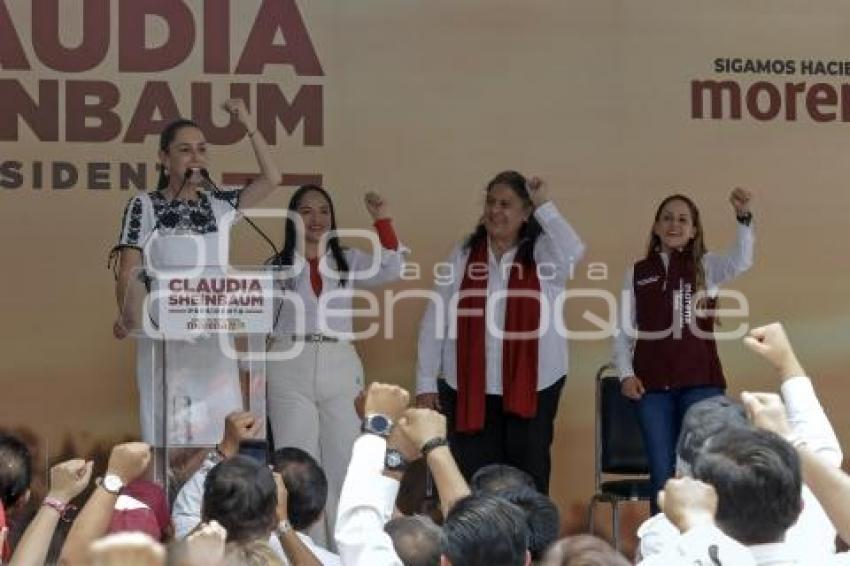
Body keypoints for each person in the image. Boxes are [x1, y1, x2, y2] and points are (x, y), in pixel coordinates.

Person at [110, 99, 281, 446]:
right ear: (163, 158)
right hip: (168, 344)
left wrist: (248, 123)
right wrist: (131, 317)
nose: (196, 157)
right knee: (173, 444)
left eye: (202, 150)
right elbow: (128, 268)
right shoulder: (145, 204)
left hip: (216, 345)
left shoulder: (219, 203)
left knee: (222, 440)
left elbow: (272, 178)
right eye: (185, 150)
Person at [416, 170, 585, 493]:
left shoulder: (544, 254)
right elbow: (435, 315)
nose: (495, 211)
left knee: (529, 479)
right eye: (491, 202)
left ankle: (531, 546)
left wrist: (545, 204)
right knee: (473, 482)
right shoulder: (464, 254)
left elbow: (574, 250)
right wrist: (426, 381)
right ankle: (478, 545)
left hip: (534, 385)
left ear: (526, 213)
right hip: (468, 388)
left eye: (506, 204)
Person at [266, 185, 406, 544]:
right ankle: (305, 550)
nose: (316, 219)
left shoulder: (348, 259)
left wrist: (383, 220)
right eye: (306, 211)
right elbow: (256, 321)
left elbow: (394, 267)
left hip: (339, 361)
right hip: (287, 362)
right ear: (292, 218)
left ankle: (347, 550)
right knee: (297, 463)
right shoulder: (275, 266)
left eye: (323, 211)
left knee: (345, 457)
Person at [613, 188, 754, 511]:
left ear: (693, 231)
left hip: (701, 386)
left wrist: (743, 218)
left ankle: (701, 552)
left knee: (702, 471)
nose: (674, 225)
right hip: (652, 389)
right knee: (662, 473)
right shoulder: (637, 272)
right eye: (667, 218)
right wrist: (625, 375)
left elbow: (742, 259)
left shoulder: (708, 267)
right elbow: (621, 331)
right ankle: (661, 554)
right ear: (656, 227)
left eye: (682, 219)